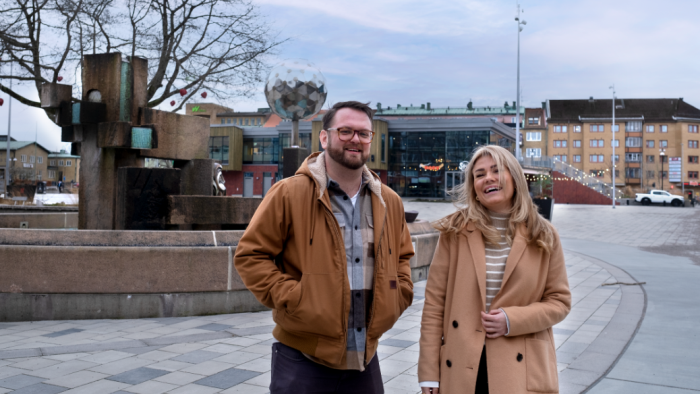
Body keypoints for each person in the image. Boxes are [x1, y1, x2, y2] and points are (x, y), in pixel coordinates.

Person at [235, 101, 415, 394]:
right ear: (324, 137)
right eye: (345, 131)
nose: (355, 139)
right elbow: (251, 255)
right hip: (302, 358)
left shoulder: (389, 201)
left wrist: (399, 295)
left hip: (365, 359)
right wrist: (296, 298)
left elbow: (403, 256)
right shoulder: (290, 193)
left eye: (363, 133)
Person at [418, 145, 571, 394]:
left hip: (520, 366)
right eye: (479, 174)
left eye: (496, 170)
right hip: (462, 365)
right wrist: (428, 374)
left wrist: (512, 321)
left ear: (514, 178)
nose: (487, 178)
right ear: (474, 188)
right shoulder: (455, 232)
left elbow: (559, 302)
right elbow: (434, 305)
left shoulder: (543, 234)